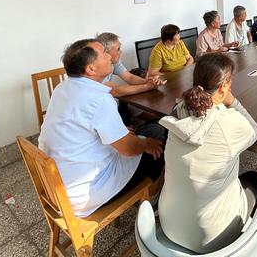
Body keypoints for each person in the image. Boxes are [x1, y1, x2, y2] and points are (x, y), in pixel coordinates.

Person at [38, 39, 164, 217]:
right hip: (85, 193)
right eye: (104, 53)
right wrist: (147, 144)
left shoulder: (63, 87)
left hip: (58, 185)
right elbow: (129, 149)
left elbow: (84, 126)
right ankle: (153, 204)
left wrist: (121, 133)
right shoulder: (98, 99)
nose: (109, 56)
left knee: (145, 134)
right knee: (156, 141)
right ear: (90, 69)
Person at [158, 54, 257, 253]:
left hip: (168, 222)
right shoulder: (229, 123)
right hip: (211, 236)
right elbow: (254, 131)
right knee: (253, 180)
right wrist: (232, 100)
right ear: (224, 87)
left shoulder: (176, 111)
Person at [96, 32, 163, 97]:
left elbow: (130, 77)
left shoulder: (114, 61)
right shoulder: (95, 67)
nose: (121, 51)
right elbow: (114, 91)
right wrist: (147, 86)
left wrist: (148, 81)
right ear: (106, 52)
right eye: (118, 49)